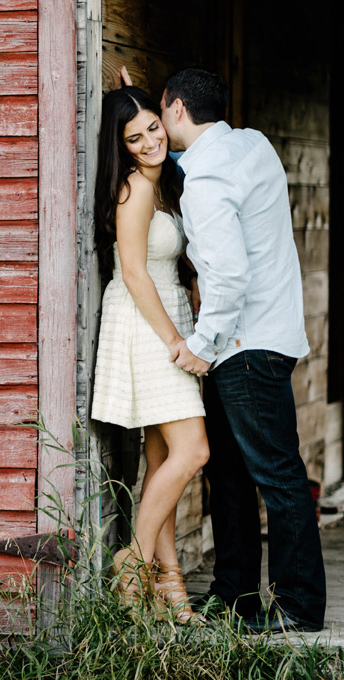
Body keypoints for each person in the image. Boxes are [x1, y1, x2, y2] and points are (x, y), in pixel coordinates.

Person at [155, 67, 325, 634]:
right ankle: (235, 596)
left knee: (276, 476)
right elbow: (194, 165)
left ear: (176, 108)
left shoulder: (205, 184)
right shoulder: (252, 146)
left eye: (161, 112)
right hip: (264, 339)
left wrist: (200, 345)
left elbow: (227, 276)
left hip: (242, 346)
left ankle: (299, 605)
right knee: (228, 475)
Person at [90, 85, 211, 626]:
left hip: (165, 318)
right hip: (146, 325)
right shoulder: (136, 190)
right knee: (194, 452)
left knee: (162, 460)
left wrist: (131, 89)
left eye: (153, 128)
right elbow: (135, 273)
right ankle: (132, 561)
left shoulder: (166, 184)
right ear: (121, 147)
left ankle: (172, 590)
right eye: (133, 138)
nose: (148, 142)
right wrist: (175, 342)